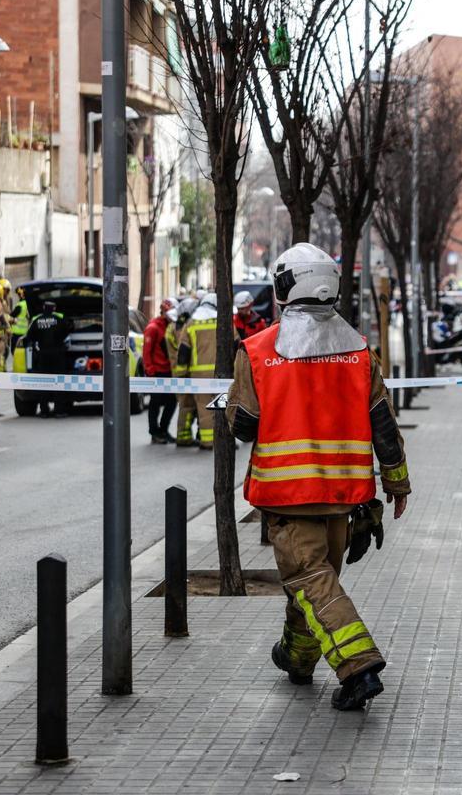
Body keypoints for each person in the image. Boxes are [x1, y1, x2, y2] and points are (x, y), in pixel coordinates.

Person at [226, 242, 411, 711]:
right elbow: (383, 424)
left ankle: (358, 667)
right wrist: (396, 482)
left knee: (310, 580)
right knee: (311, 582)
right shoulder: (359, 352)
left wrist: (229, 408)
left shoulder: (258, 351)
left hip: (289, 498)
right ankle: (297, 657)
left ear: (285, 287)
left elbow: (244, 425)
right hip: (343, 499)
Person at [175, 292, 218, 449]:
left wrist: (181, 374)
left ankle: (207, 441)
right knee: (222, 407)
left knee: (204, 407)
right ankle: (218, 441)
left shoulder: (191, 324)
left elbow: (183, 352)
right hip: (222, 375)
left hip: (198, 375)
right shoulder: (224, 322)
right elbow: (235, 345)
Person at [26, 299, 73, 418]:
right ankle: (59, 410)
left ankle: (44, 411)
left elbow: (29, 336)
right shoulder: (58, 320)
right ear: (54, 309)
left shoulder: (37, 321)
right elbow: (68, 330)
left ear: (43, 308)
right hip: (58, 355)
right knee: (59, 382)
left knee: (44, 383)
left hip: (43, 356)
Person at [143, 297, 178, 444]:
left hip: (169, 371)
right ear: (163, 311)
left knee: (172, 402)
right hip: (157, 372)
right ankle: (155, 432)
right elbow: (147, 351)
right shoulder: (153, 328)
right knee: (155, 403)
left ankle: (163, 430)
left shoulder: (170, 326)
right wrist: (150, 371)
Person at [170, 297, 199, 446]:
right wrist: (182, 374)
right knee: (186, 405)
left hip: (182, 372)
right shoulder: (180, 328)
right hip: (183, 373)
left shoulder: (176, 326)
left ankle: (184, 435)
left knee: (188, 406)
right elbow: (183, 351)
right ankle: (183, 436)